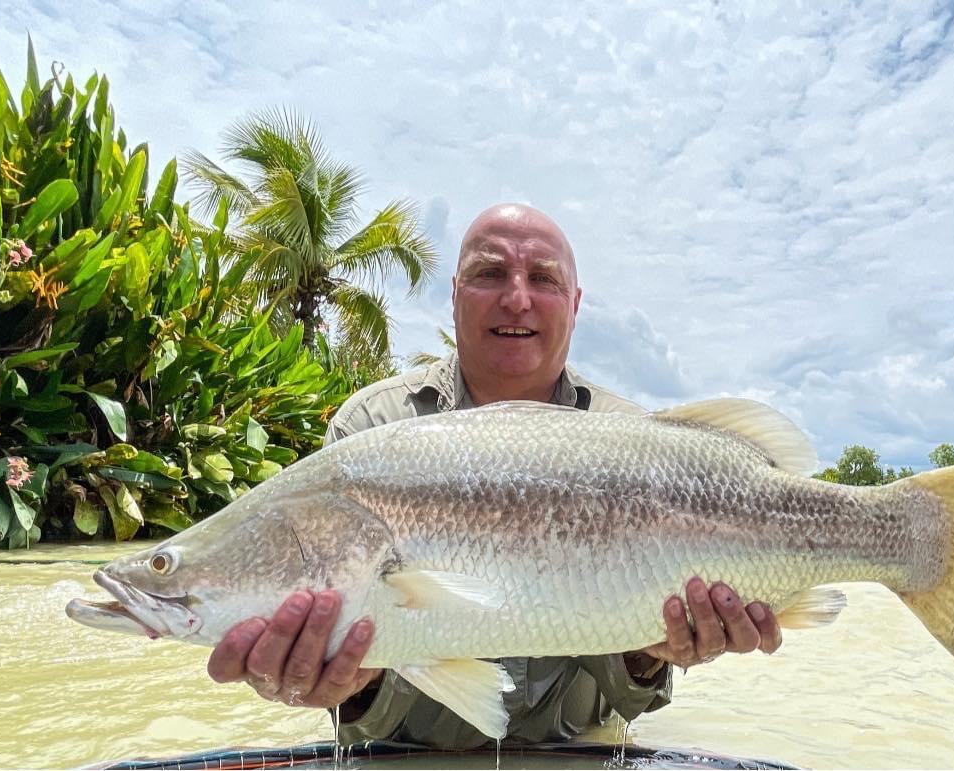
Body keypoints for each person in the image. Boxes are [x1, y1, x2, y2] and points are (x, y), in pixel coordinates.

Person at [205, 203, 784, 748]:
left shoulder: (640, 440)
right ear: (455, 296)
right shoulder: (369, 429)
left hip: (577, 755)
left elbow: (636, 700)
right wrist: (344, 684)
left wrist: (655, 653)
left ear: (575, 303)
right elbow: (363, 660)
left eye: (543, 279)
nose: (516, 299)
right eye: (490, 274)